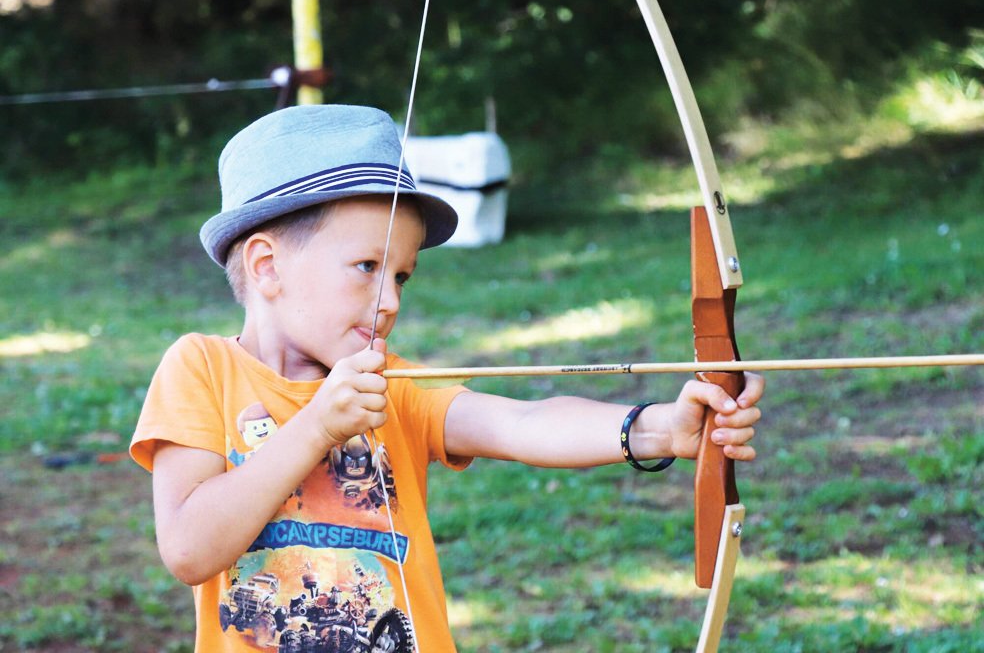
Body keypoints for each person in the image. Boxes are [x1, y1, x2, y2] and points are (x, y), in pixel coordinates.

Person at [130, 104, 764, 653]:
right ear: (267, 266)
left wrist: (654, 429)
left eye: (401, 275)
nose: (390, 300)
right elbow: (190, 547)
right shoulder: (201, 368)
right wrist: (318, 426)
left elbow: (519, 422)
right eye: (365, 265)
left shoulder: (392, 386)